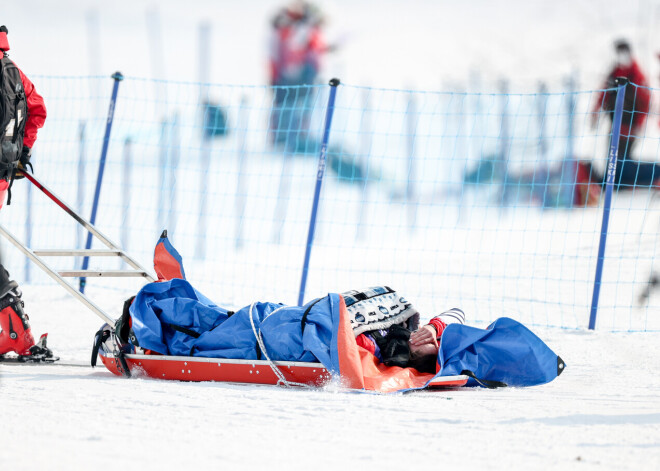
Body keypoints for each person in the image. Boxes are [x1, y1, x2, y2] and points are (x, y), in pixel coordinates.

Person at [0, 25, 50, 360]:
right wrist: (22, 152)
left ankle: (17, 330)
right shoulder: (13, 71)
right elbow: (37, 109)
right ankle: (14, 329)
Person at [591, 39, 657, 188]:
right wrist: (595, 112)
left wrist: (638, 125)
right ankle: (614, 183)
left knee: (622, 160)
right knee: (613, 159)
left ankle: (624, 183)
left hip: (630, 127)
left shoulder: (636, 74)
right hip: (615, 126)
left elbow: (645, 101)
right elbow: (604, 93)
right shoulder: (614, 72)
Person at [268, 1, 330, 149]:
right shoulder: (287, 29)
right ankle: (283, 139)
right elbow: (289, 50)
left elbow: (315, 48)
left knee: (302, 107)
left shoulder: (308, 29)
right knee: (288, 107)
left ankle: (298, 138)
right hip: (290, 76)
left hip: (304, 74)